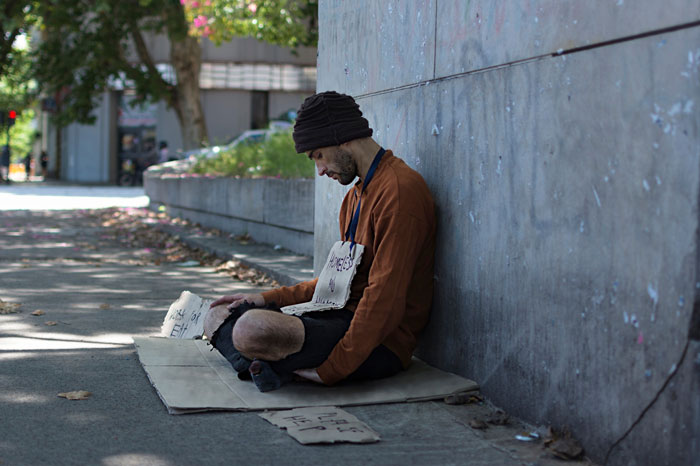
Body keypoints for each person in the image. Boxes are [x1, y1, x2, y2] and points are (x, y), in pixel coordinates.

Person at [205, 91, 436, 392]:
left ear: (342, 137)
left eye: (318, 155)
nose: (320, 169)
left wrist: (334, 369)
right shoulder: (355, 196)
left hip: (381, 342)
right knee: (216, 315)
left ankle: (262, 362)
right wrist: (263, 298)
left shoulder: (400, 191)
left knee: (251, 329)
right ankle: (267, 366)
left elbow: (385, 298)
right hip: (338, 317)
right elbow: (334, 283)